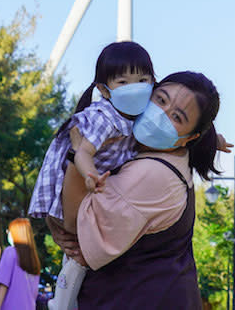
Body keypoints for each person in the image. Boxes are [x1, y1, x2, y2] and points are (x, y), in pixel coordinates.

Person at [51, 70, 223, 310]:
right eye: (160, 99)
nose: (160, 115)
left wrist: (76, 153)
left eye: (176, 117)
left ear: (189, 137)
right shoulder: (168, 158)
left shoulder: (150, 174)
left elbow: (76, 230)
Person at [30, 41, 156, 310]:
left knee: (84, 247)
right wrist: (89, 175)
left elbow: (172, 127)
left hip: (95, 184)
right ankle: (61, 303)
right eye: (123, 81)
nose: (135, 87)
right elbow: (83, 152)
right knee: (78, 253)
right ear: (104, 89)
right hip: (76, 179)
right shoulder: (103, 117)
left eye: (143, 79)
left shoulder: (143, 114)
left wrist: (211, 139)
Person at [0, 217, 42, 310]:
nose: (8, 233)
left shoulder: (10, 252)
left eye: (9, 231)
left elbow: (3, 284)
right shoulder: (34, 259)